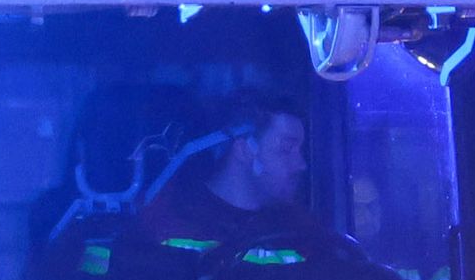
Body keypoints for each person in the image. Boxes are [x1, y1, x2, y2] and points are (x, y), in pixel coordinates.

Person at [144, 99, 340, 268]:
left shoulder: (301, 229)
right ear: (245, 150)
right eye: (286, 149)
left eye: (300, 151)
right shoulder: (172, 222)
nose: (301, 165)